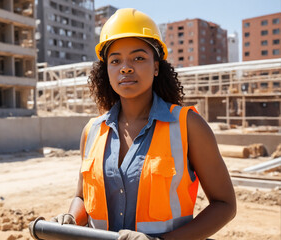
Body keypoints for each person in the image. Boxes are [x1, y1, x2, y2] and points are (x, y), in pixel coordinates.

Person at [51, 8, 236, 240]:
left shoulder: (188, 126)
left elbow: (225, 204)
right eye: (115, 60)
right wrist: (70, 219)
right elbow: (81, 197)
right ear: (106, 70)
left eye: (138, 58)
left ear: (157, 66)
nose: (125, 67)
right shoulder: (92, 131)